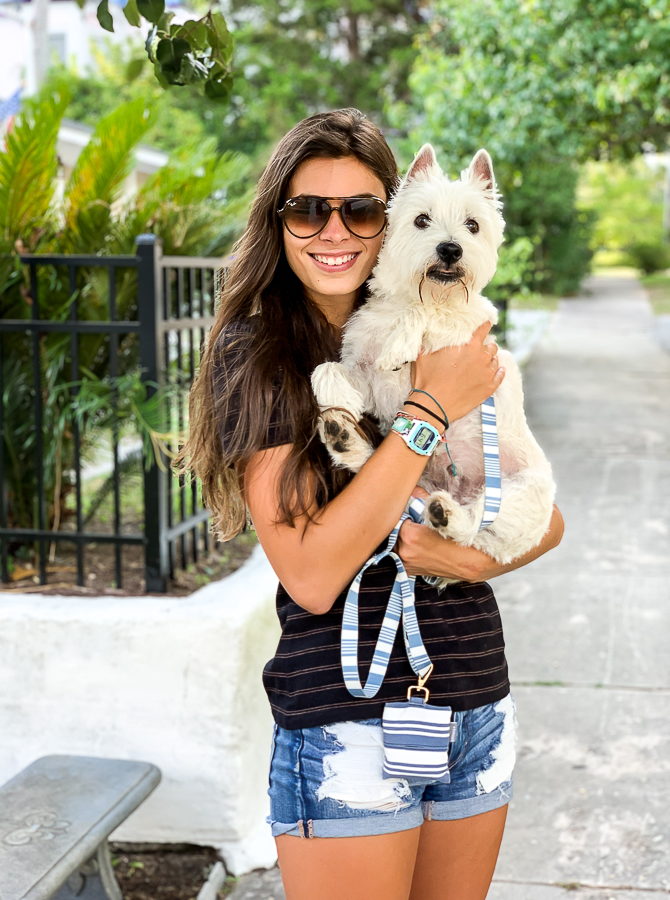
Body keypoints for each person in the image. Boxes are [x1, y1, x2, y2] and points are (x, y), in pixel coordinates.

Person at [183, 108, 564, 900]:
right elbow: (313, 576)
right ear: (277, 222)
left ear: (389, 221)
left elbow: (545, 517)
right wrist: (426, 412)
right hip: (343, 718)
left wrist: (457, 555)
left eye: (358, 209)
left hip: (470, 696)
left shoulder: (453, 331)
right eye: (305, 209)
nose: (334, 230)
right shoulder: (258, 357)